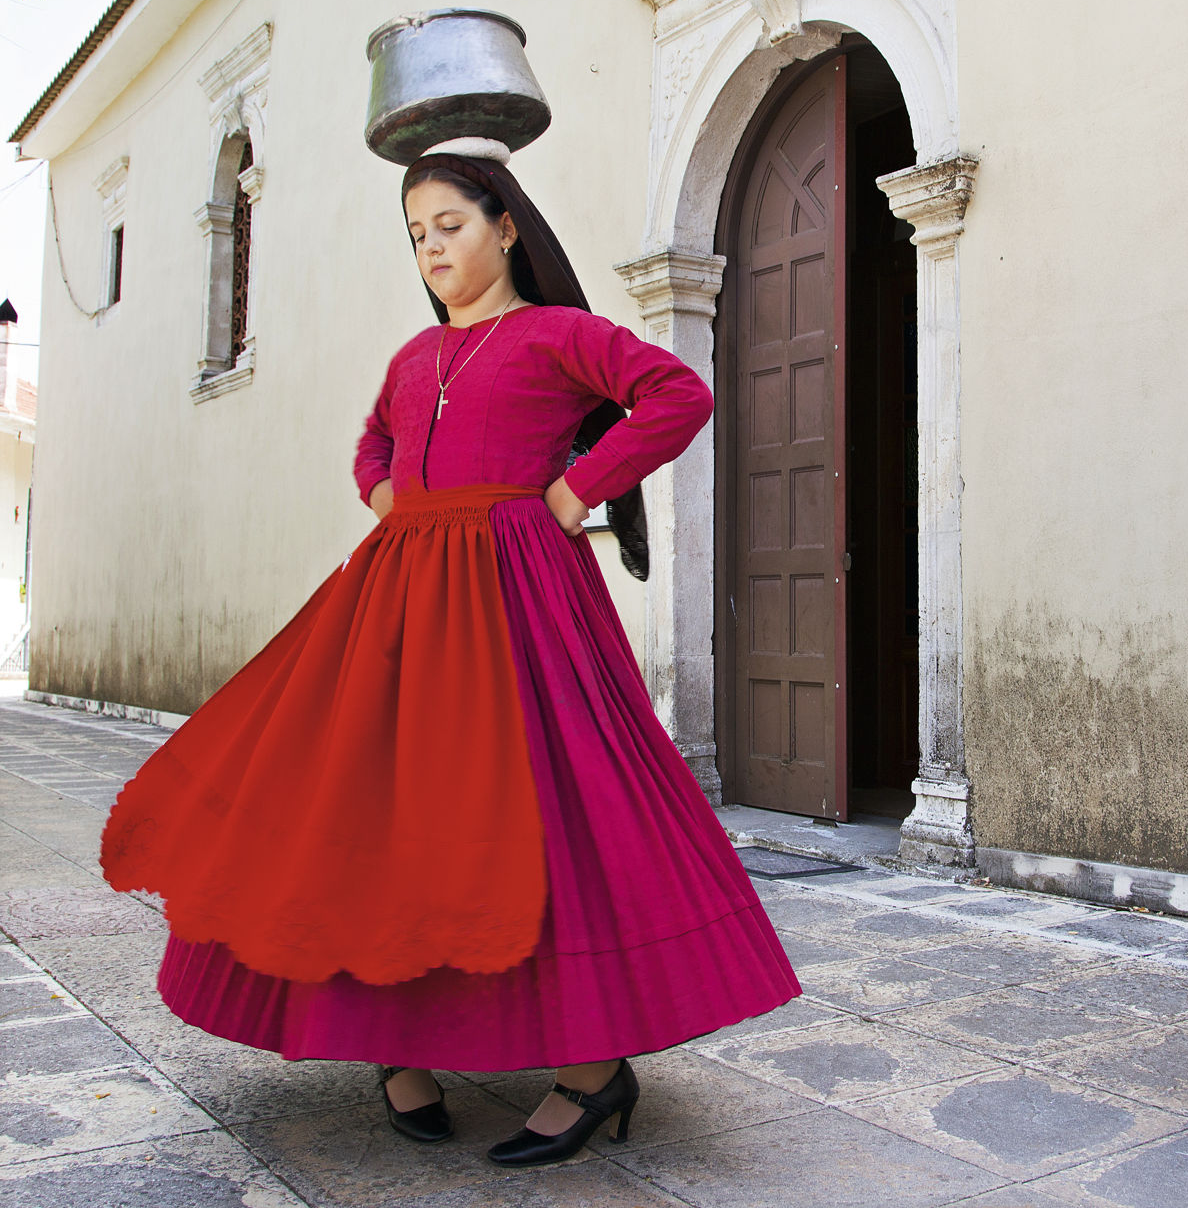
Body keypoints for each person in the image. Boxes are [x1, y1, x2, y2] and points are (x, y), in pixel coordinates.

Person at [99, 139, 799, 1168]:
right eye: (417, 234)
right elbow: (371, 445)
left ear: (505, 225)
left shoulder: (560, 334)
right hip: (396, 604)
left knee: (540, 809)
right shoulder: (411, 359)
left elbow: (677, 396)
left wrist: (572, 491)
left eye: (451, 224)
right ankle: (396, 1040)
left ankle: (594, 1067)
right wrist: (392, 502)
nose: (432, 247)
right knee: (380, 808)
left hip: (519, 601)